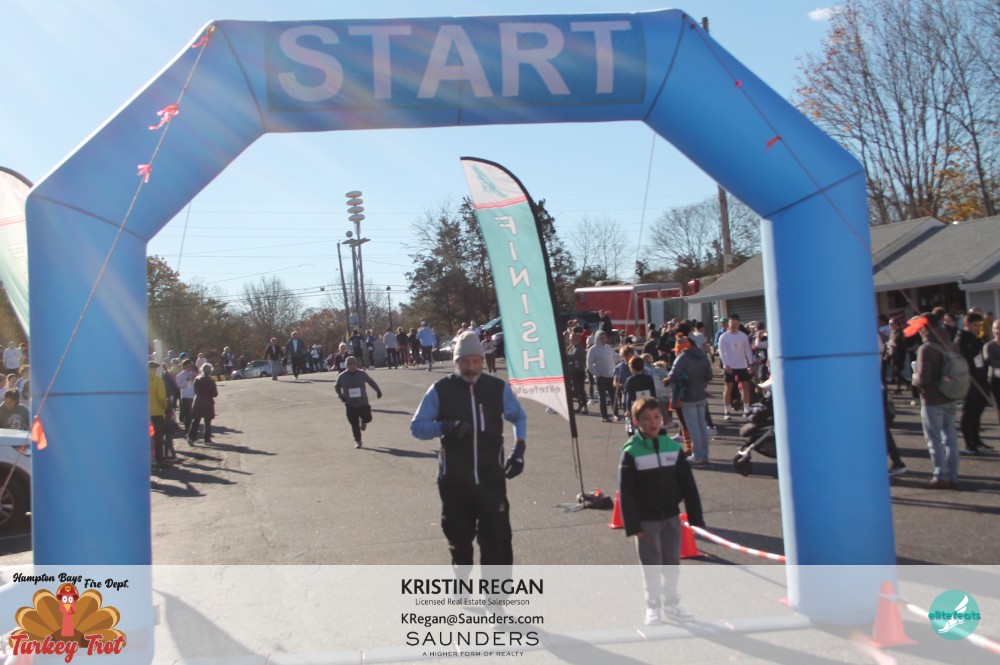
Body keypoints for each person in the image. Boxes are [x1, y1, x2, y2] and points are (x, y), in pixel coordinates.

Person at [410, 331, 527, 565]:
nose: (471, 367)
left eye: (475, 361)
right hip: (455, 482)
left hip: (491, 480)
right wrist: (445, 426)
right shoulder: (440, 389)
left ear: (482, 360)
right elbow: (417, 427)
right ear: (456, 361)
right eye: (464, 361)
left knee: (497, 541)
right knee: (460, 544)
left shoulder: (497, 388)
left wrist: (519, 450)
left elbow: (518, 417)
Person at [618, 396, 704, 626]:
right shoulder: (631, 451)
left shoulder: (673, 448)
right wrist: (633, 525)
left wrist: (695, 517)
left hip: (671, 516)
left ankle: (672, 603)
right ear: (637, 422)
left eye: (657, 417)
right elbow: (626, 492)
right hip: (646, 520)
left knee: (672, 562)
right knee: (651, 563)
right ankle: (653, 606)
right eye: (646, 418)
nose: (653, 422)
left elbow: (688, 484)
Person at [907, 312, 960, 489]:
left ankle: (940, 475)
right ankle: (952, 475)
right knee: (950, 438)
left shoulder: (926, 348)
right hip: (950, 395)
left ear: (924, 327)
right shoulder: (949, 343)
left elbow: (924, 380)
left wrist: (915, 376)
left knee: (934, 439)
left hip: (932, 399)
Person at [663, 335, 714, 465]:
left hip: (687, 396)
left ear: (679, 348)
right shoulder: (702, 356)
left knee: (693, 427)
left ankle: (697, 456)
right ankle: (704, 455)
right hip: (701, 395)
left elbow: (672, 376)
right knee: (702, 426)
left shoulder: (682, 358)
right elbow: (709, 375)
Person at [955, 312, 991, 455]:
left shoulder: (978, 339)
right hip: (969, 381)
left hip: (981, 379)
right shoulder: (961, 339)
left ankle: (976, 440)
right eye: (975, 325)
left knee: (978, 411)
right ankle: (968, 443)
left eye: (979, 325)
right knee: (969, 411)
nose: (978, 328)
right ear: (967, 325)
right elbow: (962, 360)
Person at [334, 356, 382, 448]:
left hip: (362, 402)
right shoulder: (342, 376)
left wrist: (378, 391)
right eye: (349, 364)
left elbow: (371, 382)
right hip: (350, 404)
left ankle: (363, 421)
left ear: (356, 365)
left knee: (368, 418)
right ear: (346, 365)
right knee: (354, 424)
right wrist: (341, 396)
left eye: (353, 364)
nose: (352, 366)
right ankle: (358, 441)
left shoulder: (362, 374)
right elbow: (336, 386)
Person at [718, 313, 754, 420]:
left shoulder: (743, 336)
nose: (734, 325)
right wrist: (725, 364)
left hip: (742, 365)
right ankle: (727, 411)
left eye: (736, 323)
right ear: (728, 324)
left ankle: (746, 409)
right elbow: (721, 352)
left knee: (745, 386)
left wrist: (750, 363)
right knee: (728, 387)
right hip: (730, 365)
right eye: (731, 323)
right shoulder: (724, 337)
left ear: (738, 324)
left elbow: (748, 351)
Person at [587, 331, 616, 422]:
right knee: (602, 397)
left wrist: (622, 356)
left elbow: (614, 356)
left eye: (605, 337)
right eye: (601, 338)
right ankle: (604, 416)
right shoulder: (593, 349)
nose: (604, 339)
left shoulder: (608, 348)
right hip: (601, 377)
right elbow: (589, 364)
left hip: (611, 375)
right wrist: (596, 373)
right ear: (597, 338)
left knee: (613, 396)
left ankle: (615, 414)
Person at [188, 363, 219, 444]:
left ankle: (191, 438)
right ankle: (207, 439)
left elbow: (195, 391)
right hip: (208, 402)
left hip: (198, 401)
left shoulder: (197, 379)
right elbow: (215, 394)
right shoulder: (211, 381)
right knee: (207, 421)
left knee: (195, 421)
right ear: (210, 371)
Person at [147, 362, 167, 469]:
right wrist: (165, 407)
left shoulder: (139, 380)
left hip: (144, 413)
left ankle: (148, 459)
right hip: (157, 412)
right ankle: (159, 459)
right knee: (158, 438)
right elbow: (162, 397)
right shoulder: (158, 380)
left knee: (146, 437)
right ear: (155, 369)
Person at [567, 332, 588, 414]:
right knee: (576, 390)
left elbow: (572, 357)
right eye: (569, 339)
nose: (570, 340)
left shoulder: (580, 348)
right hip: (572, 372)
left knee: (580, 389)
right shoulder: (571, 348)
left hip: (579, 372)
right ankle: (580, 405)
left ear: (576, 339)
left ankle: (584, 406)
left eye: (571, 339)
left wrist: (569, 359)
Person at [174, 359, 198, 434]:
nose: (190, 367)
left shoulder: (193, 373)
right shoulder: (180, 375)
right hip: (185, 396)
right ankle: (188, 430)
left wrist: (196, 378)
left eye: (191, 366)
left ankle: (193, 429)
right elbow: (180, 386)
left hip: (194, 395)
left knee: (194, 413)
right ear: (184, 366)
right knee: (188, 413)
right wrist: (187, 379)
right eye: (188, 366)